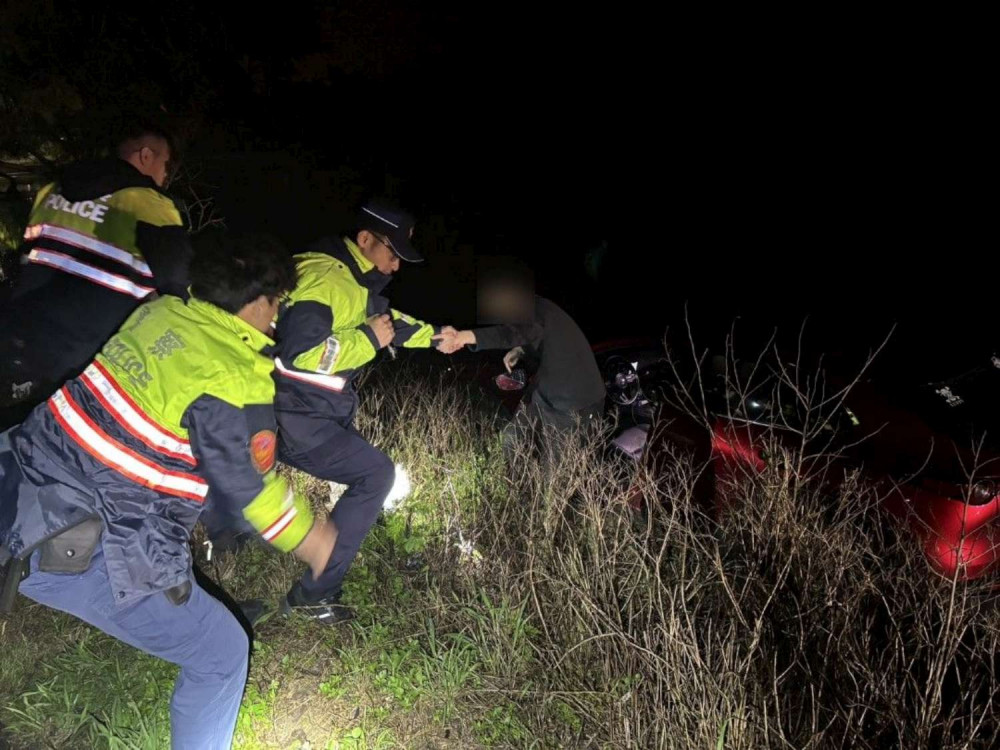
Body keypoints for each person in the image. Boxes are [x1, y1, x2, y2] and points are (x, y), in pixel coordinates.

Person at [0, 234, 337, 750]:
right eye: (276, 304)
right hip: (68, 538)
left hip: (17, 477)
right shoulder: (234, 373)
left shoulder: (156, 316)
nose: (276, 318)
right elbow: (251, 486)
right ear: (254, 302)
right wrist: (313, 541)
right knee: (221, 653)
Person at [266, 199, 453, 623]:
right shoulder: (326, 279)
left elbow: (391, 322)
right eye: (393, 253)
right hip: (297, 415)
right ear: (365, 239)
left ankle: (237, 539)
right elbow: (299, 355)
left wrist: (443, 336)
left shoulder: (351, 279)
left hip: (303, 412)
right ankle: (315, 596)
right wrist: (366, 341)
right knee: (374, 474)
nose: (397, 265)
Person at [0, 122, 192, 429]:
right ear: (146, 156)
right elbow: (178, 289)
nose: (165, 178)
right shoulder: (150, 205)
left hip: (17, 332)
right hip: (78, 360)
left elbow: (30, 255)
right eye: (166, 167)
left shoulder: (52, 190)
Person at [435, 260, 606, 461]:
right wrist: (519, 350)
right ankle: (507, 484)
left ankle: (548, 490)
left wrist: (464, 337)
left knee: (554, 469)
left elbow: (510, 333)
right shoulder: (536, 311)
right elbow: (528, 335)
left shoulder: (538, 310)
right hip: (545, 393)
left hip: (575, 403)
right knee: (511, 439)